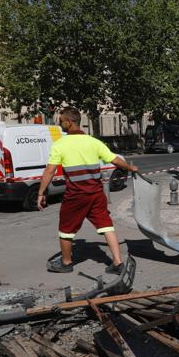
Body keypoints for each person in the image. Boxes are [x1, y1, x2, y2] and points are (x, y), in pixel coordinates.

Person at [36, 107, 138, 274]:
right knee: (106, 226)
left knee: (66, 230)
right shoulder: (93, 142)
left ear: (69, 122)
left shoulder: (60, 145)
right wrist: (131, 168)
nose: (59, 123)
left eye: (61, 120)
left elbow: (49, 170)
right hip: (97, 194)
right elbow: (115, 160)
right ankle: (118, 263)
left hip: (75, 196)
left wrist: (41, 193)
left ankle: (66, 263)